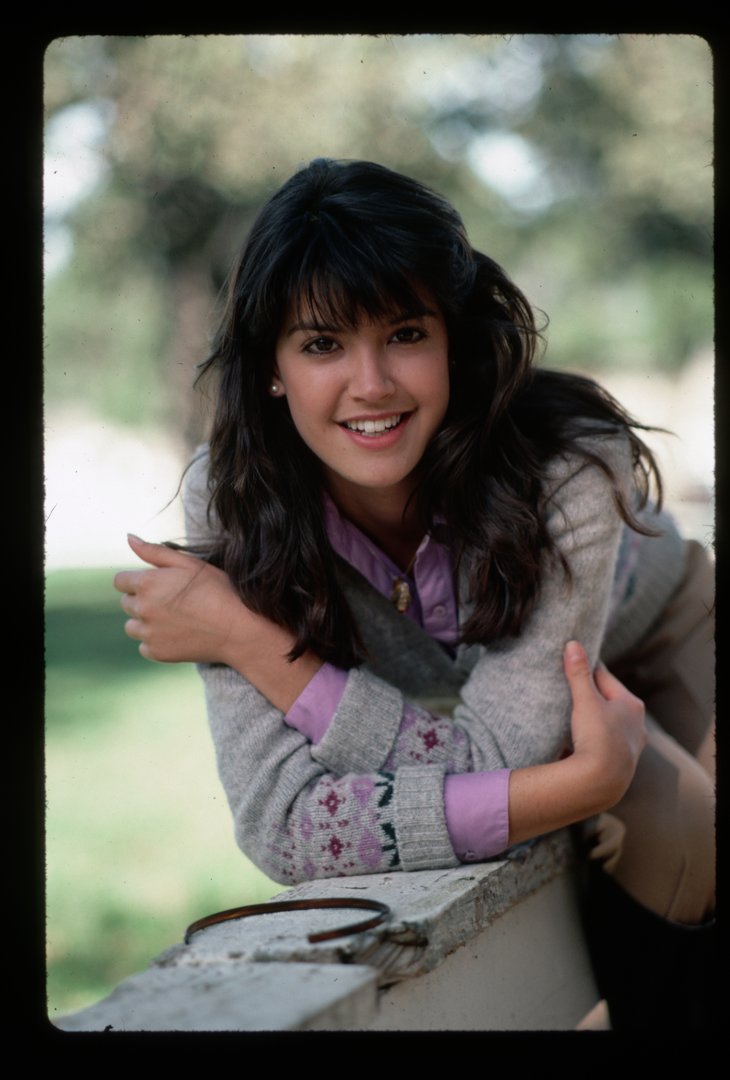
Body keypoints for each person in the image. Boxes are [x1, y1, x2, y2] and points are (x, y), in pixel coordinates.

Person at [114, 158, 715, 1029]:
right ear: (271, 365)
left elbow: (496, 750)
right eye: (322, 344)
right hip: (481, 700)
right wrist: (580, 786)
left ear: (452, 342)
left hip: (669, 627)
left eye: (404, 333)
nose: (372, 384)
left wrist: (250, 641)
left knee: (691, 836)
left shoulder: (569, 468)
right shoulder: (234, 497)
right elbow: (281, 825)